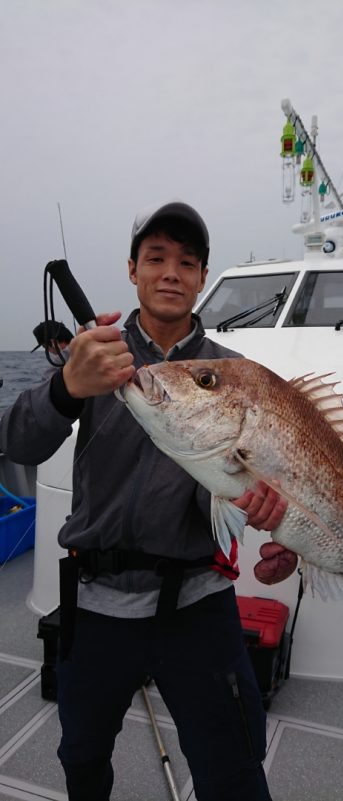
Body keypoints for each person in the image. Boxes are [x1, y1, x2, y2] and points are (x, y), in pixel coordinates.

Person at [1, 202, 296, 801]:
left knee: (235, 768)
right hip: (96, 603)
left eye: (187, 262)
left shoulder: (234, 374)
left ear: (201, 277)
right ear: (132, 269)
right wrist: (65, 386)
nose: (170, 272)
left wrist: (280, 533)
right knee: (82, 757)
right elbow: (17, 442)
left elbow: (273, 483)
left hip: (198, 602)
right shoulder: (93, 353)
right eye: (156, 258)